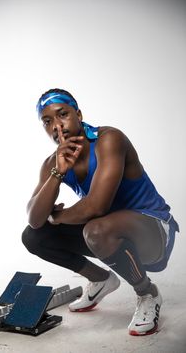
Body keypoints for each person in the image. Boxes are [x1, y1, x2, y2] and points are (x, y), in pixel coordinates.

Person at [22, 88, 179, 336]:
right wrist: (58, 172)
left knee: (95, 228)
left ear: (79, 114)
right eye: (47, 121)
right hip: (108, 233)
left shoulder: (109, 139)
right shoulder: (54, 162)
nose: (56, 126)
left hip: (153, 230)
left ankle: (148, 293)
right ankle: (101, 279)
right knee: (34, 236)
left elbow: (96, 206)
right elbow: (34, 219)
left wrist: (57, 216)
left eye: (63, 114)